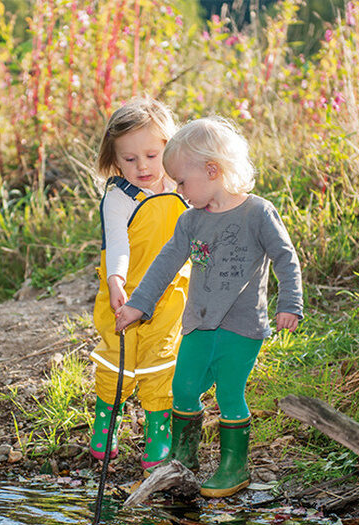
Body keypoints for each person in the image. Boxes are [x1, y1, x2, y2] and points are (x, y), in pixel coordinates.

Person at [115, 116, 303, 497]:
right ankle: (184, 458)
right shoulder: (190, 222)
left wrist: (290, 303)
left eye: (183, 181)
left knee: (230, 393)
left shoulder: (258, 213)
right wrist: (137, 305)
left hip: (242, 326)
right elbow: (165, 265)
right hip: (198, 324)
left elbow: (286, 258)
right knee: (184, 387)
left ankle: (234, 467)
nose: (178, 190)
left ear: (212, 170)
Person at [89, 96, 190, 471]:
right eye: (130, 159)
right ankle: (106, 420)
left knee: (160, 359)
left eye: (151, 155)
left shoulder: (182, 188)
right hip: (124, 291)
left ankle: (157, 430)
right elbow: (117, 244)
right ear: (115, 160)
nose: (142, 167)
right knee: (118, 358)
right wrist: (116, 280)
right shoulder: (119, 198)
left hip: (170, 293)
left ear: (170, 149)